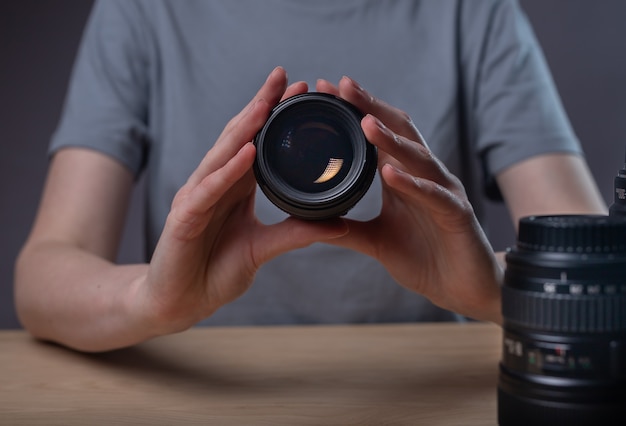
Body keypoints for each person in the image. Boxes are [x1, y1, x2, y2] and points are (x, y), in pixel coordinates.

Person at [15, 0, 607, 352]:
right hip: (196, 391)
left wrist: (494, 291)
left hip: (424, 396)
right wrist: (149, 302)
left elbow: (601, 271)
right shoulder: (145, 9)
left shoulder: (472, 11)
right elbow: (43, 273)